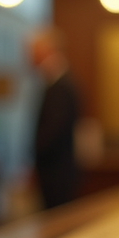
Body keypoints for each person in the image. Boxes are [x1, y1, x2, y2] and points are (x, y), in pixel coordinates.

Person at [30, 28, 81, 209]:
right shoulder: (54, 82)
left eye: (33, 51)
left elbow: (53, 132)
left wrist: (35, 157)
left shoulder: (60, 86)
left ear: (46, 50)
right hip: (54, 171)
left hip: (57, 172)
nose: (29, 57)